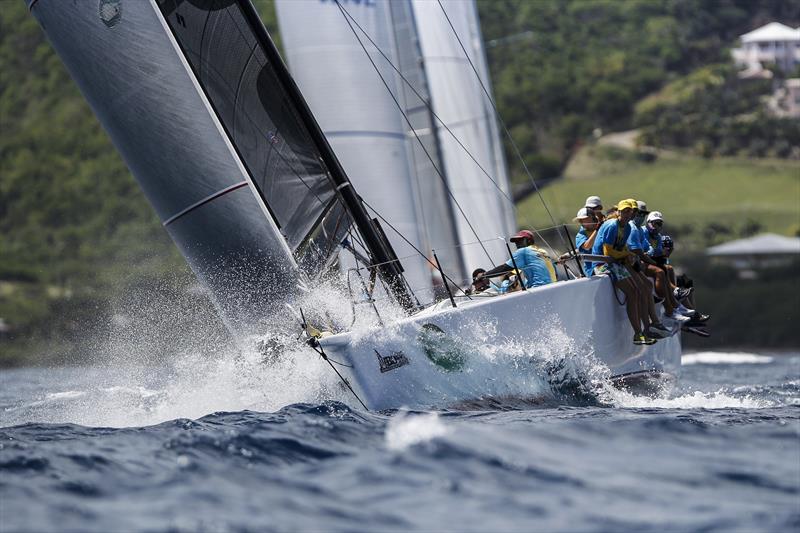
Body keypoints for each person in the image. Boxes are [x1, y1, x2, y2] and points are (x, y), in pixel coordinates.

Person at [591, 199, 656, 345]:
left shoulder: (626, 228)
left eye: (631, 211)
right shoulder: (612, 226)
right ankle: (638, 333)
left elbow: (621, 249)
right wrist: (627, 255)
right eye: (625, 211)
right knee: (633, 292)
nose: (628, 214)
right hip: (604, 263)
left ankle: (642, 331)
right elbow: (607, 251)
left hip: (615, 263)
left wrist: (628, 254)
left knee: (637, 291)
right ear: (618, 212)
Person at [628, 204, 690, 324]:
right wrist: (653, 257)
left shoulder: (645, 232)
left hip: (642, 260)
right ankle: (672, 305)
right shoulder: (639, 230)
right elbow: (639, 251)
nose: (657, 226)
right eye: (654, 223)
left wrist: (665, 252)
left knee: (670, 270)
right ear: (648, 222)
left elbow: (651, 250)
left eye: (659, 224)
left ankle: (678, 305)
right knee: (660, 271)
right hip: (636, 262)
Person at [483, 230, 556, 289]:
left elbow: (504, 268)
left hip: (538, 288)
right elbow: (555, 273)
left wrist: (484, 275)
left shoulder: (523, 251)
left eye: (520, 240)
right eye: (516, 242)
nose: (517, 243)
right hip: (554, 286)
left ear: (529, 241)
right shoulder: (543, 252)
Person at [573, 207, 600, 277]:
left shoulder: (603, 226)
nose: (581, 222)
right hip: (593, 270)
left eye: (583, 219)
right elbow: (587, 246)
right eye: (580, 220)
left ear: (592, 218)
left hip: (607, 263)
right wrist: (597, 230)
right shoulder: (581, 234)